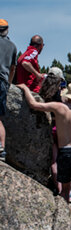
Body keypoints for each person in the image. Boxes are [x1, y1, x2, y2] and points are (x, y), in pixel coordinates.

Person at [17, 83, 71, 212]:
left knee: (65, 189)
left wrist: (25, 89)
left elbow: (34, 105)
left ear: (67, 95)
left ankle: (63, 217)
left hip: (64, 151)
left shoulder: (58, 107)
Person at [39, 67, 67, 195]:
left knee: (54, 161)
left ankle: (59, 188)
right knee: (65, 160)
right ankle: (67, 190)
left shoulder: (43, 90)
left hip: (51, 127)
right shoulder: (62, 93)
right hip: (62, 128)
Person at [0, 19, 17, 158]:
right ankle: (1, 148)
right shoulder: (12, 46)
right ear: (7, 30)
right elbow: (12, 68)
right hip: (3, 82)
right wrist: (9, 83)